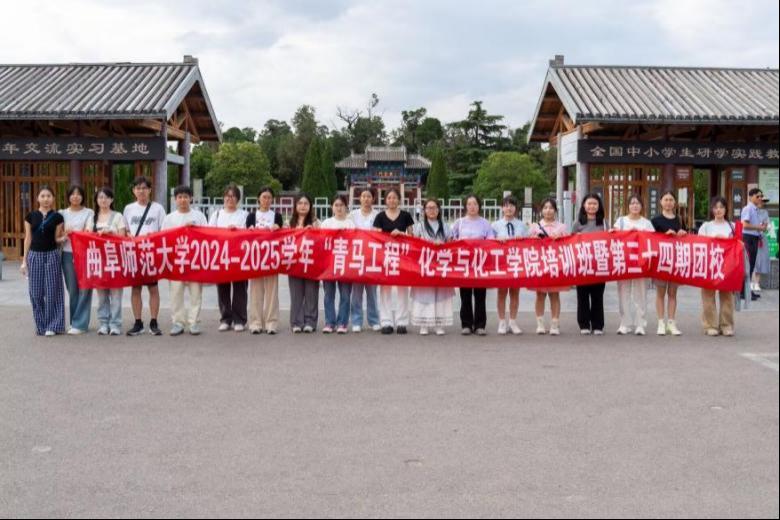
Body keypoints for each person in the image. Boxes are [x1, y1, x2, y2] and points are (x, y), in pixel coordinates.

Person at [123, 176, 167, 336]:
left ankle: (154, 322)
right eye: (138, 188)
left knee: (153, 288)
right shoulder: (128, 209)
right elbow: (125, 229)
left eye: (144, 188)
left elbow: (163, 230)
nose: (141, 191)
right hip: (134, 253)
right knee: (135, 288)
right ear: (133, 191)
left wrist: (153, 237)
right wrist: (128, 235)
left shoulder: (158, 209)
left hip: (151, 252)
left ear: (150, 190)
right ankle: (138, 322)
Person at [162, 185, 208, 336]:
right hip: (176, 262)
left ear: (191, 198)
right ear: (175, 199)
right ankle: (178, 322)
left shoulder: (199, 216)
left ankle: (194, 322)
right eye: (180, 197)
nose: (183, 200)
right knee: (176, 293)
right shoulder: (169, 218)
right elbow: (164, 238)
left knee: (196, 293)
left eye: (186, 197)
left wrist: (195, 229)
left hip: (194, 261)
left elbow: (207, 235)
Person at [21, 186, 65, 336]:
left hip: (52, 255)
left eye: (49, 196)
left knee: (53, 291)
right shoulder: (30, 216)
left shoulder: (58, 217)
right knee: (35, 292)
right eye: (43, 196)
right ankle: (41, 325)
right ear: (37, 198)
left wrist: (63, 238)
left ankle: (53, 325)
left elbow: (56, 239)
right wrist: (24, 261)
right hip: (34, 256)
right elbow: (28, 238)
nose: (46, 199)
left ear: (53, 198)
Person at [86, 188, 128, 335]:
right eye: (100, 197)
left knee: (116, 295)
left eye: (106, 197)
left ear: (111, 200)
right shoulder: (92, 218)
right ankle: (103, 323)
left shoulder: (118, 216)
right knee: (101, 295)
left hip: (115, 260)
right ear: (96, 200)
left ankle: (115, 324)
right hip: (98, 261)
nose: (103, 200)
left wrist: (111, 233)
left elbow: (123, 238)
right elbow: (86, 236)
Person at [373, 188, 415, 334]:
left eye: (394, 197)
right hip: (385, 257)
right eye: (389, 198)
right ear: (385, 200)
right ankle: (386, 322)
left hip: (402, 257)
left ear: (399, 200)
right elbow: (375, 237)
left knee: (403, 289)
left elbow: (412, 236)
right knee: (385, 289)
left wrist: (402, 234)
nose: (392, 200)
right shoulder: (379, 216)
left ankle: (402, 321)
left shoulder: (406, 215)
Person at [451, 194, 495, 336]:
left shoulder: (485, 223)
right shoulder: (459, 223)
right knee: (465, 295)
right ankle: (466, 324)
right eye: (469, 204)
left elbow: (491, 241)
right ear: (465, 206)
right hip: (464, 265)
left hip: (480, 265)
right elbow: (452, 240)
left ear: (479, 206)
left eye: (475, 204)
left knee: (480, 295)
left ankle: (480, 325)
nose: (472, 207)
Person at [611, 195, 655, 336]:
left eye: (637, 203)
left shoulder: (647, 223)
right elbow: (613, 237)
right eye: (632, 203)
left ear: (642, 206)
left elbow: (653, 241)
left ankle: (640, 324)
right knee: (623, 292)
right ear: (628, 206)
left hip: (641, 264)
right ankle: (624, 323)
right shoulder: (621, 221)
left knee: (641, 293)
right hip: (624, 262)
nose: (635, 206)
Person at [209, 184, 249, 332]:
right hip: (221, 256)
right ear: (223, 198)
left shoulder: (244, 215)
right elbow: (209, 233)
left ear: (238, 199)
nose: (230, 199)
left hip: (239, 257)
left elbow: (249, 234)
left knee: (240, 289)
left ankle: (240, 319)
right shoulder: (216, 214)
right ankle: (226, 318)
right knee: (222, 289)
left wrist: (237, 231)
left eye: (233, 196)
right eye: (227, 196)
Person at [411, 198, 454, 336]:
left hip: (441, 264)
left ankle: (438, 324)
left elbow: (451, 243)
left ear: (439, 210)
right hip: (425, 264)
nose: (432, 210)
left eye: (434, 208)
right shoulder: (419, 226)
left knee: (440, 294)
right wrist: (428, 245)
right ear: (424, 210)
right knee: (425, 293)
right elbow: (414, 244)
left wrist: (442, 244)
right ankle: (424, 324)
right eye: (429, 208)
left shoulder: (445, 226)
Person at [245, 186, 284, 334]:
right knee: (255, 292)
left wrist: (278, 228)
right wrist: (249, 231)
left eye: (269, 197)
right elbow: (245, 236)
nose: (266, 200)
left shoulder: (277, 216)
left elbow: (283, 236)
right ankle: (255, 322)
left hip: (272, 258)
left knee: (272, 292)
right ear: (258, 199)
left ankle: (271, 323)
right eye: (264, 197)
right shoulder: (251, 216)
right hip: (255, 258)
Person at [528, 198, 569, 336]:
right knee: (540, 294)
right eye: (545, 208)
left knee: (554, 294)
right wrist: (534, 238)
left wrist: (560, 238)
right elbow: (528, 245)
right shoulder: (535, 227)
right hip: (540, 264)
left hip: (556, 264)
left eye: (551, 208)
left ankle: (555, 324)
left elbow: (568, 245)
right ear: (541, 211)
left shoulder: (562, 227)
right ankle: (540, 324)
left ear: (555, 210)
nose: (548, 210)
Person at [697, 197, 736, 337]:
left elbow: (739, 244)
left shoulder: (732, 226)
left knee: (727, 296)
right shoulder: (706, 226)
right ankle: (710, 325)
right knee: (708, 295)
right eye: (715, 207)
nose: (718, 210)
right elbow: (699, 244)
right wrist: (713, 239)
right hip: (710, 264)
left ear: (726, 209)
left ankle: (726, 325)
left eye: (721, 207)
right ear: (712, 209)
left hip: (727, 266)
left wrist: (726, 240)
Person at [59, 185, 94, 335]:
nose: (75, 196)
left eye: (78, 194)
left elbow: (89, 231)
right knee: (72, 289)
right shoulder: (62, 213)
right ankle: (74, 322)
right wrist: (65, 235)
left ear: (82, 196)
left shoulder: (89, 212)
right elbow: (58, 235)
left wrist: (75, 232)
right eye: (72, 194)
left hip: (85, 255)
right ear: (68, 196)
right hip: (68, 254)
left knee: (85, 288)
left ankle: (81, 324)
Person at [652, 191, 687, 336]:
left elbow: (685, 237)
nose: (668, 202)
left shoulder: (679, 219)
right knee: (660, 293)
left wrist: (682, 234)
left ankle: (671, 323)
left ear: (675, 203)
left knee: (673, 293)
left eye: (671, 200)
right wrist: (664, 236)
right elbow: (651, 239)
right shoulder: (655, 220)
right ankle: (661, 322)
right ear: (660, 202)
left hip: (676, 260)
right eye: (665, 199)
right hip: (661, 260)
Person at [491, 195, 528, 335]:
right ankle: (502, 321)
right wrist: (497, 240)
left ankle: (512, 321)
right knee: (501, 292)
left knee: (515, 292)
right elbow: (488, 243)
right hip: (501, 263)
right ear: (502, 208)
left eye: (512, 205)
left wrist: (522, 239)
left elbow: (530, 243)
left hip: (516, 262)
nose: (509, 208)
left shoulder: (522, 225)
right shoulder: (495, 225)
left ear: (516, 208)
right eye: (506, 205)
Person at [572, 193, 608, 335]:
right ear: (584, 205)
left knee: (597, 296)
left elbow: (610, 241)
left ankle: (598, 325)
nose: (592, 206)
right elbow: (570, 243)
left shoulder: (604, 223)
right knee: (582, 296)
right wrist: (576, 238)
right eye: (589, 203)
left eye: (595, 204)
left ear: (599, 206)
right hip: (582, 265)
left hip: (599, 265)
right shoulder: (578, 223)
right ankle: (584, 324)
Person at [320, 195, 355, 334]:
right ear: (332, 207)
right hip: (329, 264)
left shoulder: (350, 224)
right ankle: (329, 322)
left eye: (341, 205)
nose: (339, 208)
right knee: (329, 294)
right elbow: (321, 242)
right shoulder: (326, 223)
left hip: (345, 264)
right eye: (336, 205)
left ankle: (342, 323)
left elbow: (355, 243)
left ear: (346, 207)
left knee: (345, 295)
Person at [349, 188, 381, 333]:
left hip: (372, 258)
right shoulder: (352, 215)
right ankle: (356, 321)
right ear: (359, 198)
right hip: (356, 258)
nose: (366, 199)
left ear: (373, 199)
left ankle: (373, 320)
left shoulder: (378, 215)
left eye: (369, 196)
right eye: (363, 196)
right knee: (356, 292)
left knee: (372, 292)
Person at [288, 194, 320, 333]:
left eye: (306, 203)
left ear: (310, 206)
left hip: (311, 262)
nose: (303, 206)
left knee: (311, 292)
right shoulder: (289, 223)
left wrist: (314, 232)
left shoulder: (316, 222)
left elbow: (323, 240)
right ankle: (296, 322)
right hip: (294, 262)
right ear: (295, 206)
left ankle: (310, 321)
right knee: (296, 293)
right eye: (300, 203)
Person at [740, 188, 767, 301]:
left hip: (754, 238)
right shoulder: (748, 208)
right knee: (747, 265)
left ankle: (747, 290)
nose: (760, 198)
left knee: (750, 266)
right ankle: (743, 292)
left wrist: (760, 229)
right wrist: (758, 227)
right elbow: (744, 225)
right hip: (748, 238)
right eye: (757, 196)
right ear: (751, 197)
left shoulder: (755, 209)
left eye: (761, 196)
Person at [752, 195, 771, 294]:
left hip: (762, 238)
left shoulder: (765, 212)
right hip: (752, 237)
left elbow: (767, 225)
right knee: (753, 260)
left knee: (761, 260)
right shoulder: (752, 211)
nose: (761, 203)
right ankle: (752, 282)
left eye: (763, 201)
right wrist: (759, 226)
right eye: (760, 200)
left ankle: (757, 283)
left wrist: (764, 227)